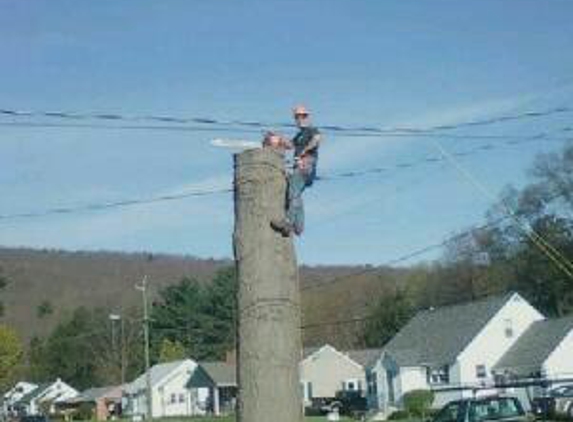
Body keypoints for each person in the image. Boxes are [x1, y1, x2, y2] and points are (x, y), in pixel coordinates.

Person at [271, 105, 322, 236]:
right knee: (296, 194)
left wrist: (305, 150)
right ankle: (298, 226)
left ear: (307, 116)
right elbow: (290, 145)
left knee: (293, 192)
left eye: (302, 116)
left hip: (305, 164)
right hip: (301, 165)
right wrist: (279, 138)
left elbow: (317, 139)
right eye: (297, 117)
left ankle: (288, 222)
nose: (299, 119)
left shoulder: (311, 130)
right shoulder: (299, 135)